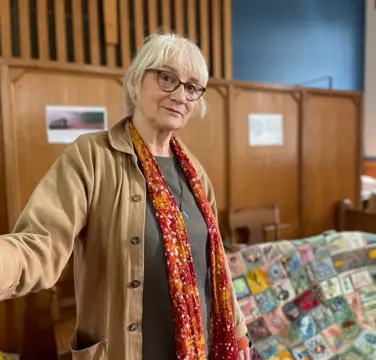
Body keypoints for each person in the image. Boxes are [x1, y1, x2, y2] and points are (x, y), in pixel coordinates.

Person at [0, 33, 250, 360]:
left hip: (194, 348)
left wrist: (239, 331)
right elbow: (39, 243)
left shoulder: (195, 172)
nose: (180, 95)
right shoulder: (92, 157)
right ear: (135, 81)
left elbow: (214, 264)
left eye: (191, 87)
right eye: (166, 78)